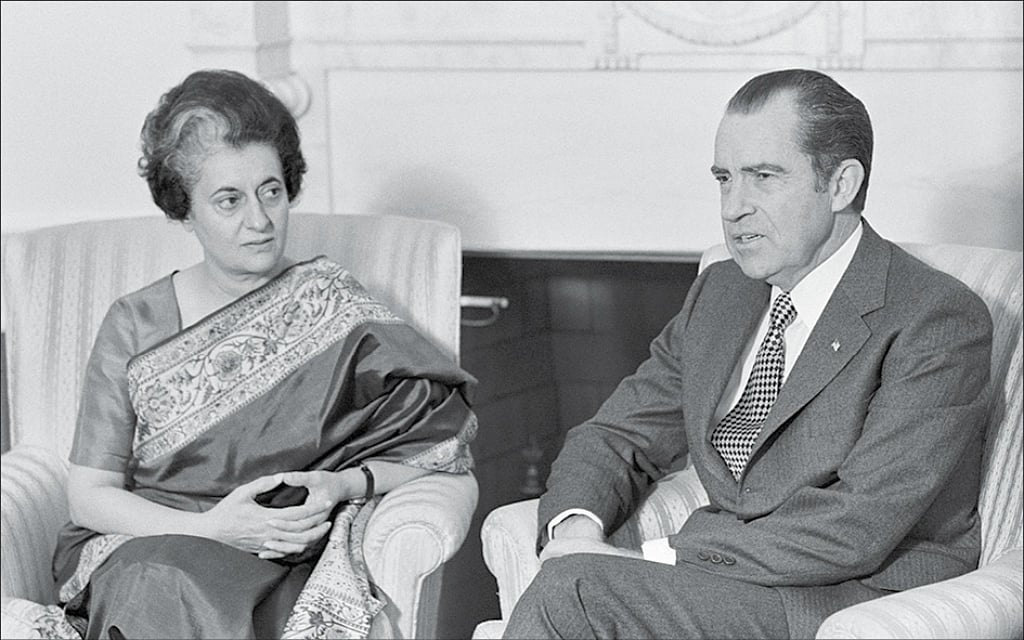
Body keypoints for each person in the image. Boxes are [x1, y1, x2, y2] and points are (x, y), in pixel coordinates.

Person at [503, 68, 993, 639]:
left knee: (573, 593)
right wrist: (576, 531)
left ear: (841, 184)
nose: (734, 207)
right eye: (724, 179)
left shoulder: (935, 316)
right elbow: (617, 434)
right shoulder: (723, 292)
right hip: (731, 586)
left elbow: (857, 524)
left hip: (853, 600)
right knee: (570, 577)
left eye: (764, 177)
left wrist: (658, 556)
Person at [50, 69, 478, 640]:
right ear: (184, 210)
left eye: (270, 191)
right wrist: (214, 527)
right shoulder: (135, 322)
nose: (259, 220)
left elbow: (444, 444)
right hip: (153, 542)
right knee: (160, 581)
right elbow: (89, 495)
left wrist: (343, 486)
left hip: (278, 560)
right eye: (229, 201)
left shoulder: (334, 306)